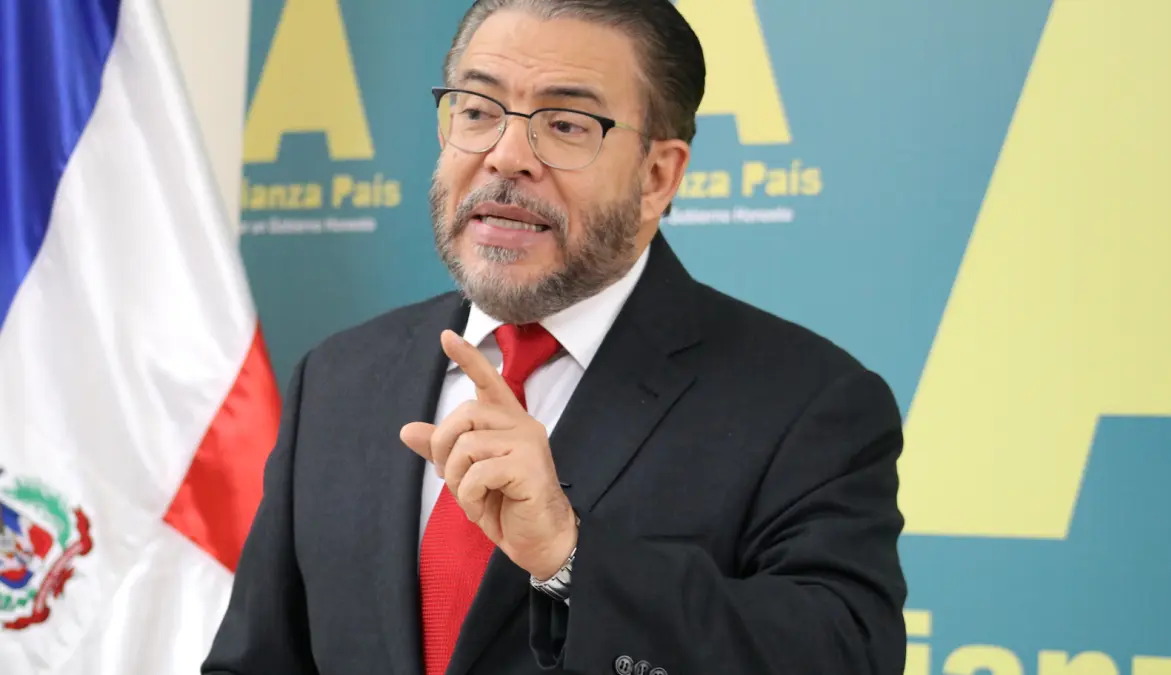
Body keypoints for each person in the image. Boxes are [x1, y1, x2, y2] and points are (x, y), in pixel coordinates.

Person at [202, 1, 908, 673]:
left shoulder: (807, 402)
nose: (507, 156)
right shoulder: (339, 375)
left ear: (657, 176)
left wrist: (570, 556)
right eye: (477, 111)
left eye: (566, 124)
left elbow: (842, 657)